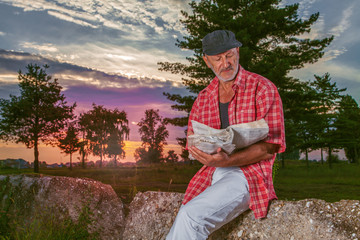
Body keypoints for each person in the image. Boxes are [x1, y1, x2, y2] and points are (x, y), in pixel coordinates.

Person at [166, 30, 286, 240]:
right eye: (218, 58)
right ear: (206, 61)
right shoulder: (202, 99)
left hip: (251, 174)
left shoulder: (263, 88)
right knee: (186, 213)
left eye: (229, 55)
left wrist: (229, 160)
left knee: (191, 217)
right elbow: (193, 145)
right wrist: (204, 152)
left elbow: (271, 148)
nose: (225, 63)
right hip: (213, 172)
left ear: (237, 51)